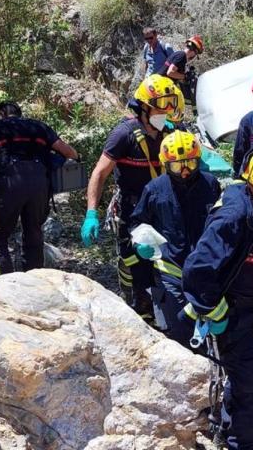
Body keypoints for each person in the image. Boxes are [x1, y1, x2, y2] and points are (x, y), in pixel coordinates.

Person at [183, 145, 253, 450]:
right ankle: (243, 444)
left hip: (251, 309)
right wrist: (216, 312)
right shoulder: (234, 217)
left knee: (244, 378)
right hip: (233, 316)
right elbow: (197, 270)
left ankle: (227, 427)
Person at [80, 74, 179, 322]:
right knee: (133, 262)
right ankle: (136, 307)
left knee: (166, 259)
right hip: (133, 208)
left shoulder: (170, 134)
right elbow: (99, 173)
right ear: (144, 107)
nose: (165, 111)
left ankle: (165, 312)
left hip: (163, 208)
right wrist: (91, 213)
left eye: (169, 105)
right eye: (160, 105)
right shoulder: (124, 135)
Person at [129, 131, 221, 346]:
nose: (185, 171)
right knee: (181, 328)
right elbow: (137, 222)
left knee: (212, 326)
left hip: (205, 268)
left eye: (190, 163)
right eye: (178, 166)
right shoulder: (154, 189)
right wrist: (139, 244)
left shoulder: (210, 184)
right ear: (165, 164)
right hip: (171, 268)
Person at [0, 101, 78, 274]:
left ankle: (1, 281)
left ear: (1, 115)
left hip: (10, 183)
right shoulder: (38, 126)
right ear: (20, 114)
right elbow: (71, 154)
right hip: (40, 185)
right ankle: (34, 279)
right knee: (33, 234)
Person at [156, 35, 203, 105]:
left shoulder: (179, 55)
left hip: (161, 86)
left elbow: (175, 76)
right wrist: (185, 76)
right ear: (194, 51)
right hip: (159, 87)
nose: (194, 56)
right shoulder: (182, 55)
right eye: (196, 54)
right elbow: (170, 72)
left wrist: (186, 76)